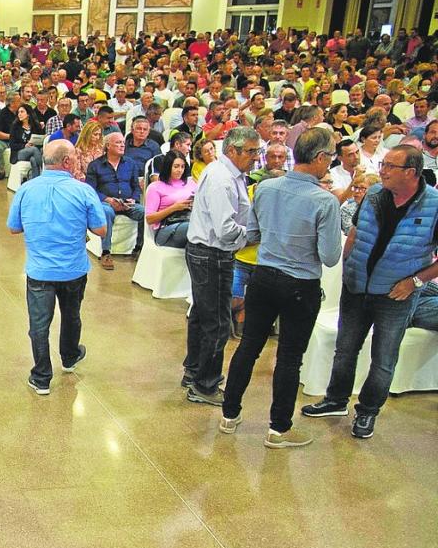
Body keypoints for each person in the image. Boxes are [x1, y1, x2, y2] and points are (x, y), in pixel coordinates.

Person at [301, 145, 438, 438]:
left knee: (383, 357)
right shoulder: (375, 194)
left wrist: (415, 282)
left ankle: (367, 412)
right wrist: (347, 259)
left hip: (395, 294)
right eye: (383, 164)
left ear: (411, 173)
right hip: (356, 287)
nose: (383, 170)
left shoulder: (434, 205)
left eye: (390, 166)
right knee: (345, 349)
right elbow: (355, 229)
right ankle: (336, 400)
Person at [220, 129, 343, 447]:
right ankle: (279, 428)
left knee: (248, 346)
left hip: (263, 276)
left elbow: (253, 232)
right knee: (289, 357)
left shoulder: (265, 187)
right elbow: (330, 256)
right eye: (330, 156)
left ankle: (229, 415)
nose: (330, 163)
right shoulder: (325, 201)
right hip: (300, 283)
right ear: (318, 158)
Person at [6, 139, 107, 394]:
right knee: (71, 315)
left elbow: (13, 227)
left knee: (39, 325)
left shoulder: (26, 190)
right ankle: (70, 356)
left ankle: (41, 377)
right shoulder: (83, 191)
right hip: (73, 268)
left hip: (39, 270)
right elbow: (100, 229)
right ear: (67, 162)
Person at [183, 127, 261, 404]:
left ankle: (193, 371)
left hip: (209, 253)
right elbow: (226, 229)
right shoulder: (221, 179)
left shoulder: (230, 175)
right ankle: (205, 385)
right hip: (212, 254)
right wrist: (253, 235)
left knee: (201, 316)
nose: (255, 157)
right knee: (216, 322)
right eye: (251, 151)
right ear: (232, 151)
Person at [85, 131, 143, 270]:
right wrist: (108, 199)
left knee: (145, 213)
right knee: (106, 212)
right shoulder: (95, 165)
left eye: (123, 142)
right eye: (118, 142)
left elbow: (136, 187)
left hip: (127, 203)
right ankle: (106, 252)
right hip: (106, 203)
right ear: (107, 146)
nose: (122, 145)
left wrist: (133, 199)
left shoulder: (131, 164)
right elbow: (90, 190)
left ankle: (139, 248)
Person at [145, 152, 197, 249]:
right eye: (176, 166)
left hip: (189, 219)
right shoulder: (156, 187)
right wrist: (174, 208)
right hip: (167, 228)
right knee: (194, 228)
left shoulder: (191, 183)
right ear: (168, 167)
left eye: (182, 166)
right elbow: (150, 219)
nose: (180, 170)